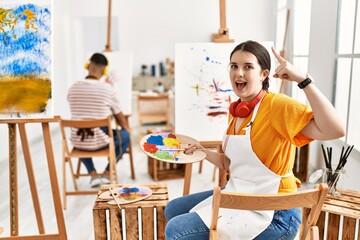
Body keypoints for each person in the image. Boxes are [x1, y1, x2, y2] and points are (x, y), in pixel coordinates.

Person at [164, 40, 345, 239]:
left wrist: (304, 81)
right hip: (242, 193)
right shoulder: (236, 111)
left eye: (248, 67)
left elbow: (334, 130)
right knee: (173, 208)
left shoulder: (277, 106)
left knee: (176, 229)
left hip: (275, 211)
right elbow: (229, 163)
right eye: (234, 66)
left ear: (263, 74)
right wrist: (203, 152)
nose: (238, 73)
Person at [67, 53, 131, 188]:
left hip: (79, 142)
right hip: (101, 142)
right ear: (104, 71)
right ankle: (108, 172)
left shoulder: (72, 88)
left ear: (88, 66)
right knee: (125, 136)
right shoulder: (108, 89)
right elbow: (120, 117)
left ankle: (92, 173)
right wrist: (127, 128)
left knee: (80, 132)